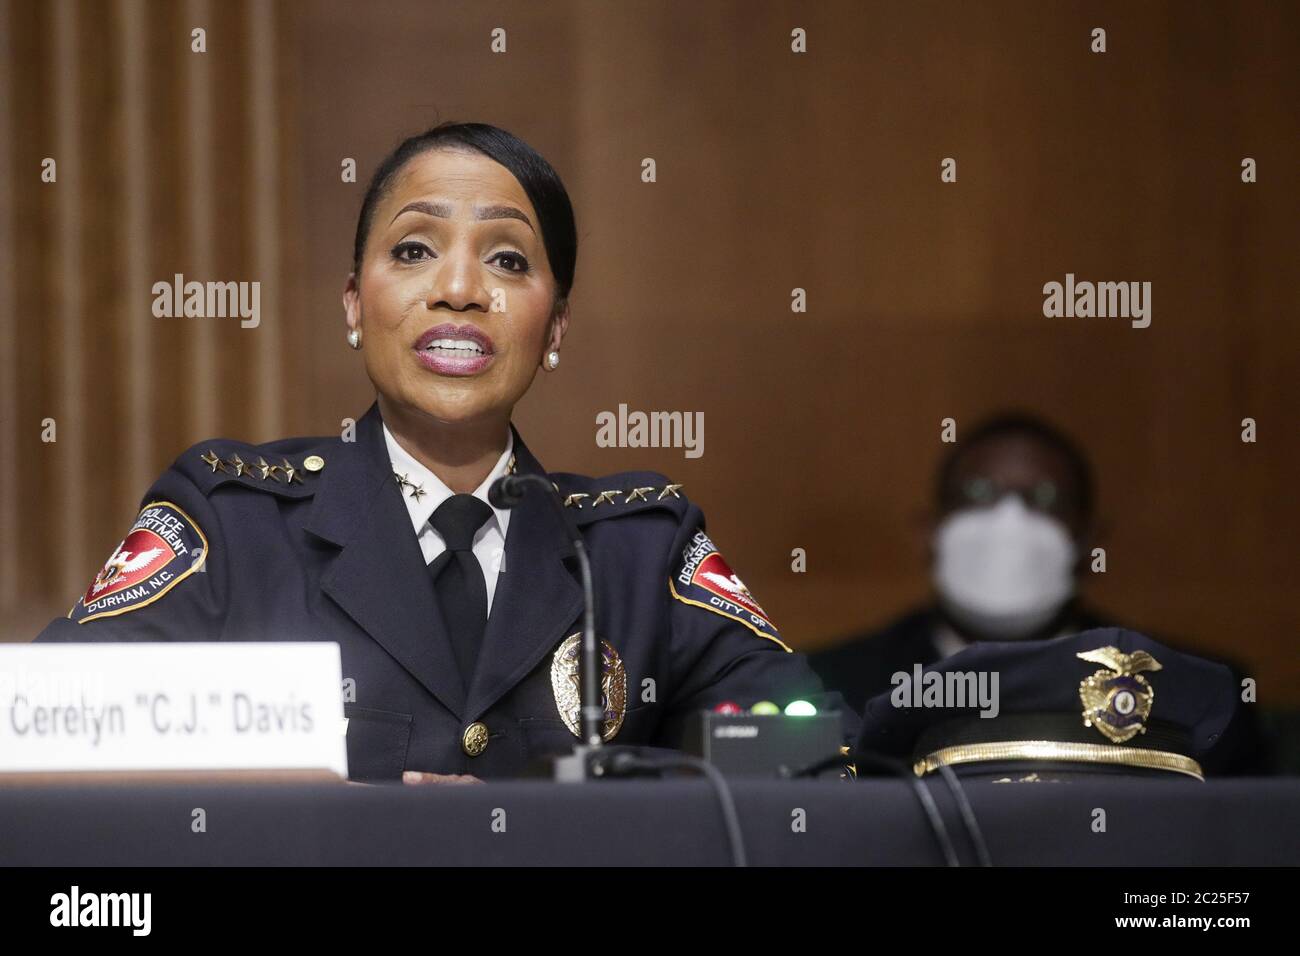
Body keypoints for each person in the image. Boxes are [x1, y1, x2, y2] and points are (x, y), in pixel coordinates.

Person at [33, 122, 840, 781]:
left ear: (554, 326)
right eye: (414, 250)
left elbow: (813, 759)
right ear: (355, 303)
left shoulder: (638, 551)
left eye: (508, 260)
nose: (458, 289)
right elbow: (52, 729)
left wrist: (577, 819)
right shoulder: (230, 524)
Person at [813, 413, 1268, 773]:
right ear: (928, 533)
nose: (1009, 520)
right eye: (978, 493)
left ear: (1090, 542)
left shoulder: (1194, 696)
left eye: (1045, 499)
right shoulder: (831, 688)